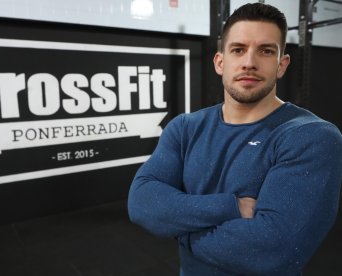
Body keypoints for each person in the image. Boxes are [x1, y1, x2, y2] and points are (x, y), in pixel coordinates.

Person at [127, 3, 342, 276]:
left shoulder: (311, 136)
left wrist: (179, 229)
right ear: (220, 62)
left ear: (282, 65)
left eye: (266, 51)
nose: (249, 62)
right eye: (238, 49)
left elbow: (272, 250)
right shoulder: (184, 127)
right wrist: (231, 206)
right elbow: (142, 202)